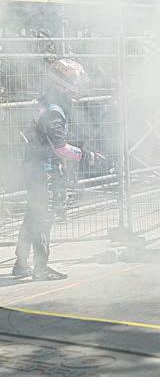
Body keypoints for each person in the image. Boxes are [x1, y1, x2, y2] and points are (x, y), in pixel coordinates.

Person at [13, 59, 103, 281]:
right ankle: (41, 267)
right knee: (43, 216)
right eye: (75, 82)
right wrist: (86, 155)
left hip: (36, 165)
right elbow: (61, 148)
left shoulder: (49, 102)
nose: (78, 87)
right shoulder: (54, 110)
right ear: (62, 84)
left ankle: (21, 263)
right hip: (42, 168)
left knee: (33, 213)